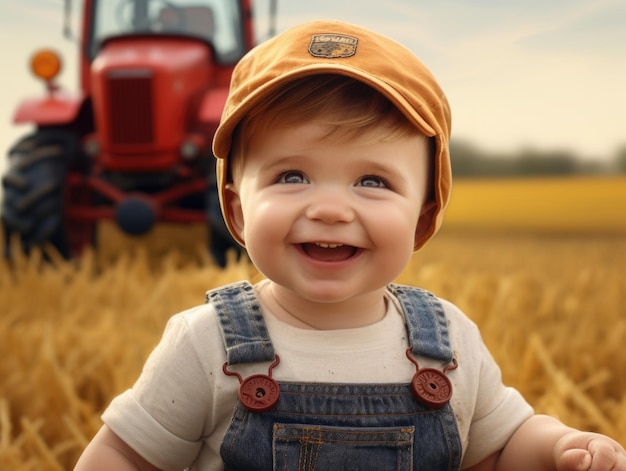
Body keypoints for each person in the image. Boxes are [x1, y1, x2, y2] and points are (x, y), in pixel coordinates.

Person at [74, 20, 626, 471]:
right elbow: (124, 454)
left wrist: (558, 447)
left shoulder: (449, 342)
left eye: (373, 181)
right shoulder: (205, 344)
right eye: (291, 177)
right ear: (238, 211)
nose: (331, 209)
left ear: (422, 216)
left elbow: (501, 446)